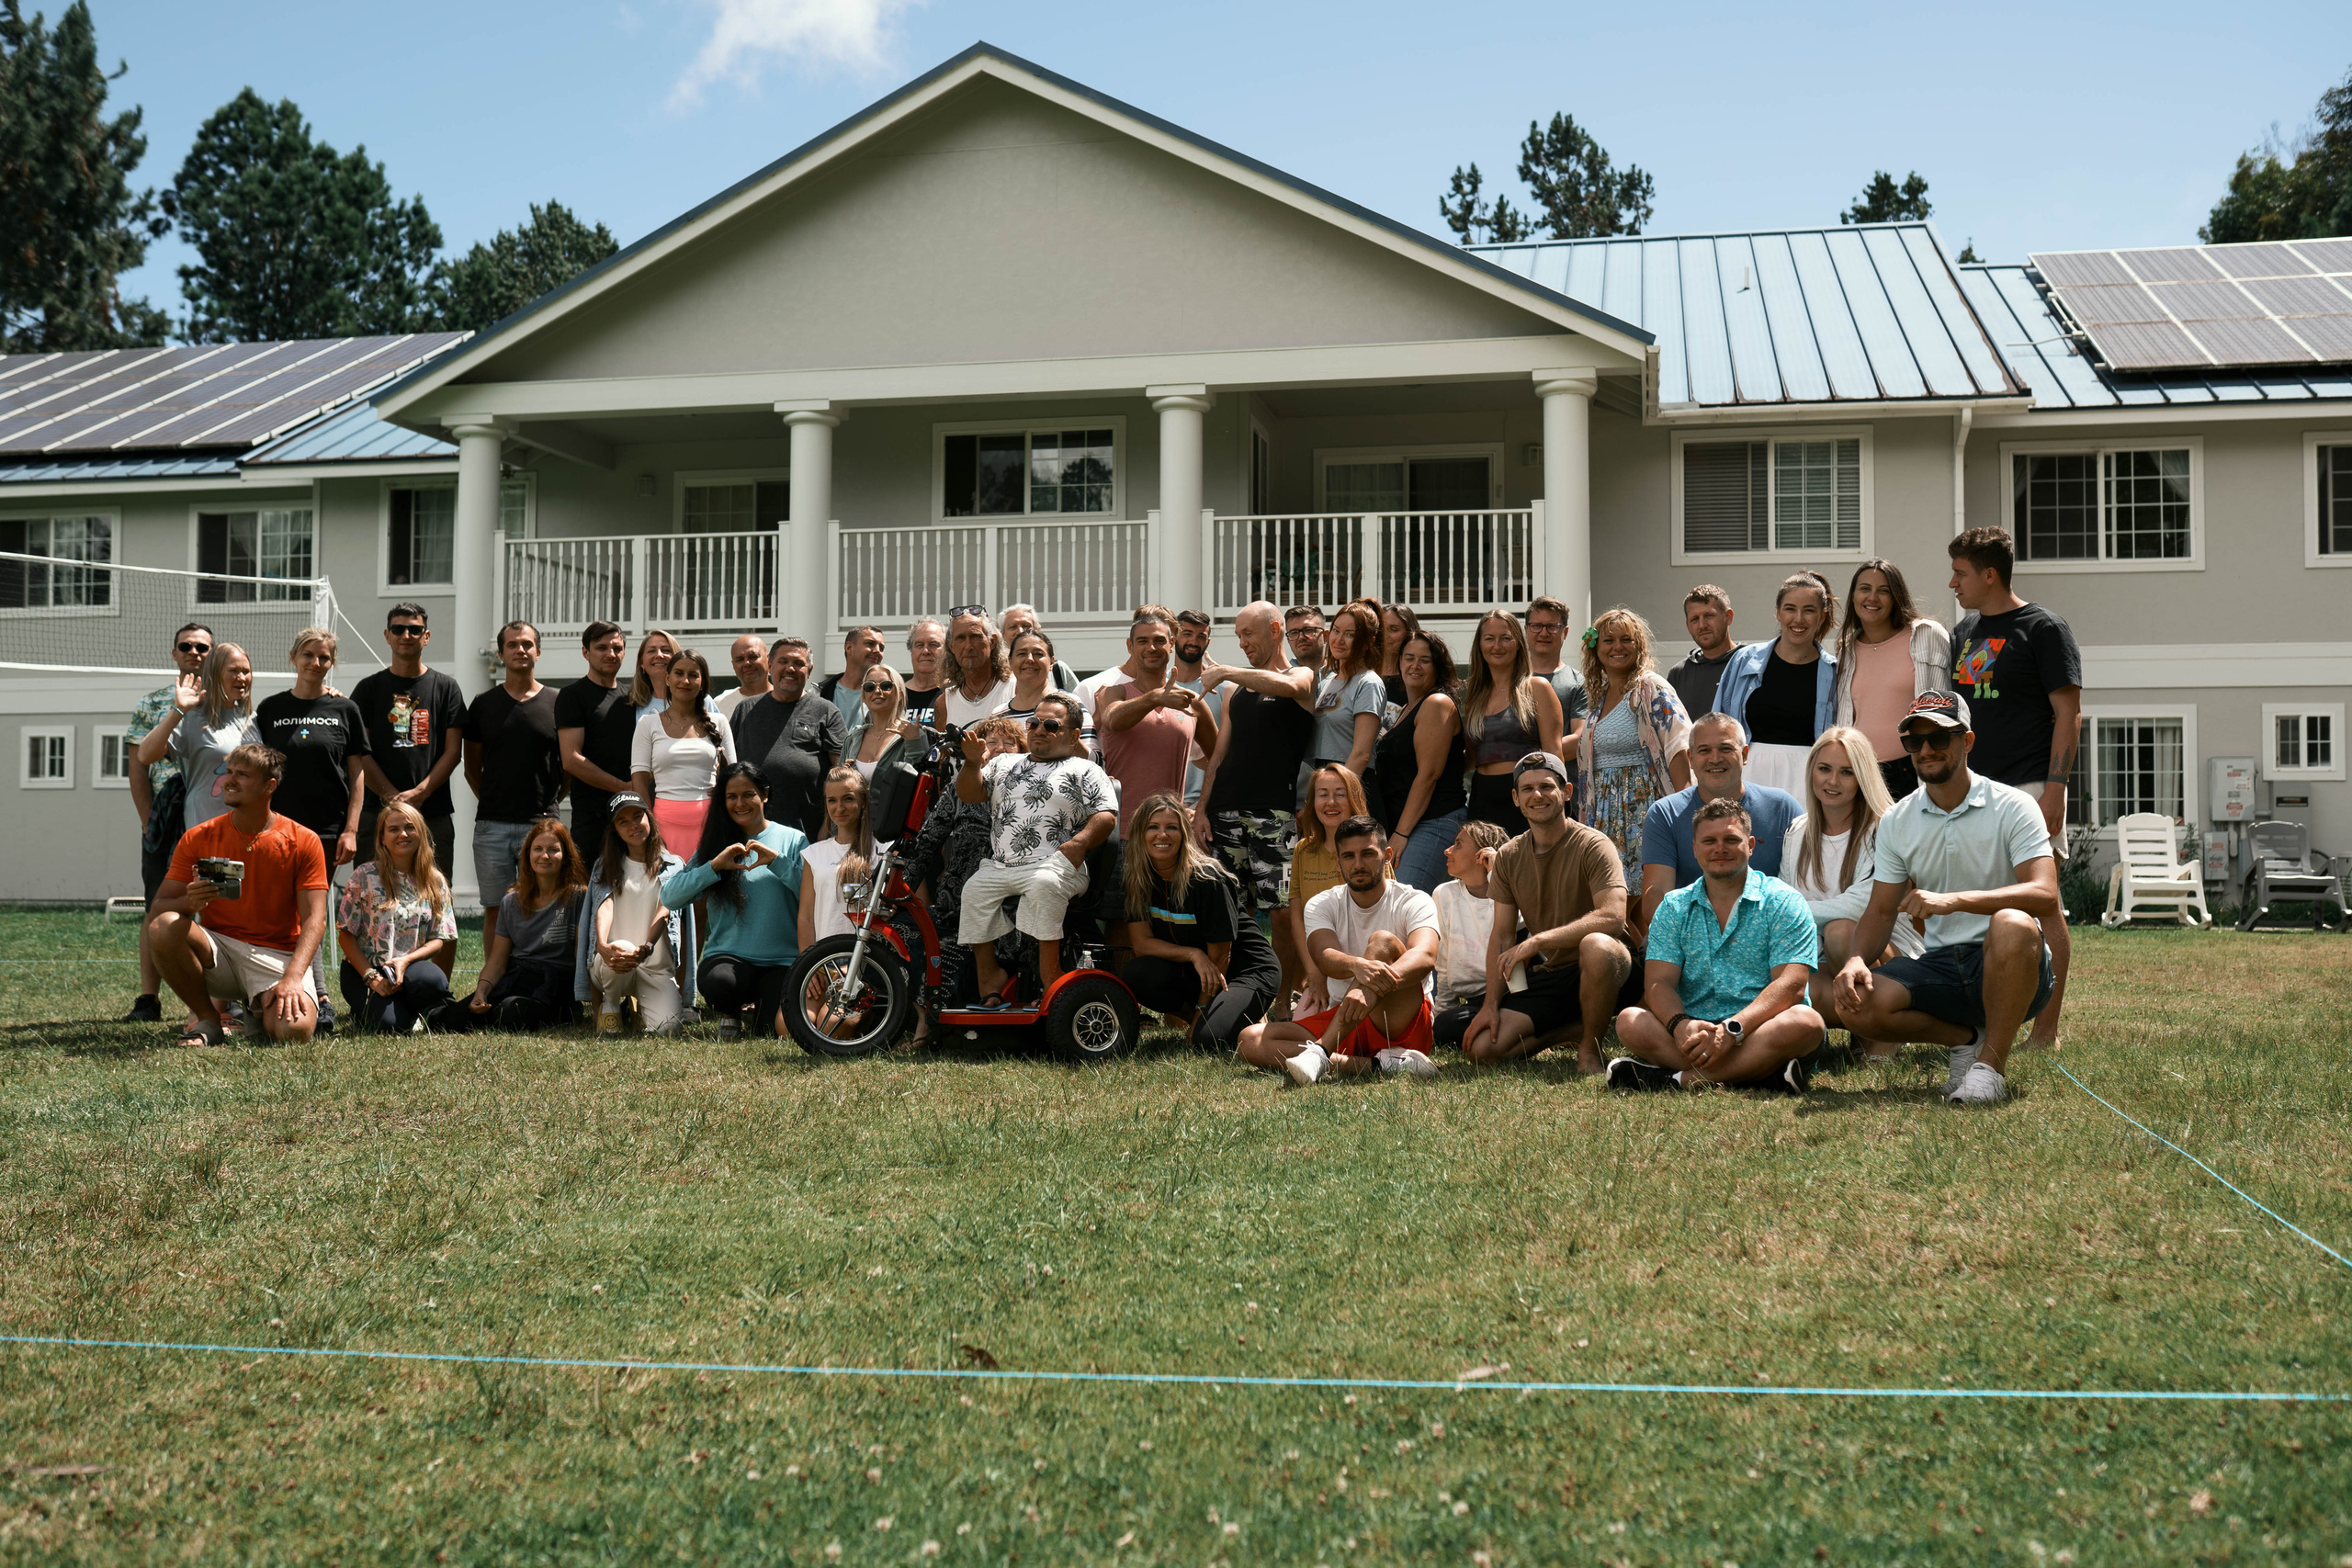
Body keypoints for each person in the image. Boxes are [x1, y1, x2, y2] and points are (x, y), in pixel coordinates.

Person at [1830, 692, 2060, 1106]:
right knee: (1853, 1006)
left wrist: (1953, 901)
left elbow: (2044, 894)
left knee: (2011, 923)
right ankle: (1967, 1040)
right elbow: (1881, 910)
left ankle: (1990, 1070)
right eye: (1914, 741)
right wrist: (1855, 959)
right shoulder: (1898, 820)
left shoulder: (2014, 805)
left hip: (2011, 963)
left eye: (1939, 738)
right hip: (1941, 966)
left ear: (1967, 741)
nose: (1926, 750)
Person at [1948, 525, 2080, 1051]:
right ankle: (1989, 1019)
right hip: (1974, 790)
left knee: (2043, 907)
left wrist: (2056, 788)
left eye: (1960, 573)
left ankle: (2045, 1029)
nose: (1953, 583)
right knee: (1990, 909)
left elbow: (2068, 714)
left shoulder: (2043, 628)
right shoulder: (1964, 633)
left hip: (2029, 787)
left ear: (1989, 574)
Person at [1608, 797, 1826, 1096]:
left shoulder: (1784, 901)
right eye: (1709, 841)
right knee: (1630, 1020)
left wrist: (1732, 1030)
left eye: (1731, 840)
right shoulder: (1673, 907)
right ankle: (1760, 1075)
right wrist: (1680, 1025)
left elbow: (1792, 985)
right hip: (1694, 1034)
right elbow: (1658, 983)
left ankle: (1679, 1081)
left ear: (1750, 845)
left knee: (1806, 1022)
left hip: (1761, 1029)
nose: (1719, 848)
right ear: (1695, 849)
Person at [1457, 753, 1637, 1073]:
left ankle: (1590, 1050)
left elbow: (1613, 918)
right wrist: (1490, 1006)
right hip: (1555, 973)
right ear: (1515, 798)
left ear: (1566, 792)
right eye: (1526, 789)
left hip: (1612, 966)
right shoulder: (1510, 856)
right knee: (1484, 1049)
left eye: (1546, 786)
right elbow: (1502, 935)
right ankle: (1571, 1030)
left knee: (1595, 945)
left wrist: (1538, 940)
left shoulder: (1594, 845)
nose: (1536, 795)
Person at [1237, 816, 1441, 1084]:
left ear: (1387, 855)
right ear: (1338, 861)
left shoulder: (1414, 899)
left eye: (1368, 854)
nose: (1358, 864)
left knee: (1383, 942)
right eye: (1348, 856)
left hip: (1402, 1016)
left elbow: (1425, 956)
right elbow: (1323, 955)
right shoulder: (1322, 903)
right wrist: (1357, 966)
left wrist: (1369, 985)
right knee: (1249, 1040)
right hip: (1345, 1016)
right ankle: (1379, 1066)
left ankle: (1321, 1052)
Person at [148, 743, 328, 1046]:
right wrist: (188, 903)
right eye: (229, 772)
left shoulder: (303, 840)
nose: (229, 780)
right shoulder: (198, 836)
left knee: (293, 1033)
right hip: (220, 953)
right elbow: (159, 908)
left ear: (269, 786)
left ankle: (258, 1011)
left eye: (242, 774)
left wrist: (294, 977)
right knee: (163, 926)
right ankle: (208, 1019)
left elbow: (315, 920)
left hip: (278, 956)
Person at [955, 691, 1116, 998]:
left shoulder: (1085, 769)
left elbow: (1106, 816)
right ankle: (990, 979)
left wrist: (1079, 843)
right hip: (1002, 865)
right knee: (973, 891)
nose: (1039, 730)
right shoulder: (1004, 763)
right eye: (1034, 723)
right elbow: (970, 794)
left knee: (1043, 885)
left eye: (1051, 726)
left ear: (1072, 736)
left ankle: (1050, 975)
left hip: (1055, 864)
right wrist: (972, 764)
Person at [257, 627, 372, 1032]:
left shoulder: (345, 710)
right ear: (294, 658)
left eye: (324, 657)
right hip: (276, 829)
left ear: (331, 663)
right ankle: (274, 994)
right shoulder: (270, 709)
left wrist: (351, 829)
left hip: (326, 831)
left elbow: (357, 775)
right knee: (278, 911)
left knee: (312, 914)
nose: (316, 663)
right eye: (308, 655)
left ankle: (320, 999)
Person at [1780, 726, 1921, 1051]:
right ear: (1811, 770)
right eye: (1824, 769)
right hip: (1818, 951)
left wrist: (1792, 913)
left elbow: (1865, 905)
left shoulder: (1884, 827)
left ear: (1863, 778)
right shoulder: (1797, 832)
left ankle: (1882, 1040)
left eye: (1847, 772)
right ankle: (1865, 1028)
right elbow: (1787, 896)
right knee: (1788, 984)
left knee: (1841, 932)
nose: (1832, 782)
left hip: (1885, 950)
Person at [1118, 793, 1281, 1055]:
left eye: (1172, 827)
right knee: (1137, 974)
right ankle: (1215, 1016)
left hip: (1243, 970)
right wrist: (1193, 954)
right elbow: (1141, 944)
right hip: (1198, 968)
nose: (1162, 835)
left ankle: (1234, 1013)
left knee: (1208, 1041)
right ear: (1139, 834)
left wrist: (1199, 1020)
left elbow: (1220, 957)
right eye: (1153, 827)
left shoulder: (1208, 880)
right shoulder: (1138, 878)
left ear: (1183, 834)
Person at [666, 761, 808, 1039]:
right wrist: (714, 867)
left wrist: (777, 862)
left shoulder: (793, 839)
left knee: (769, 1031)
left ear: (764, 795)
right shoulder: (715, 842)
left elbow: (813, 895)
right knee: (721, 983)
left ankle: (759, 1010)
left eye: (748, 795)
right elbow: (670, 897)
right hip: (729, 960)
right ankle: (730, 1012)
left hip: (781, 961)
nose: (740, 803)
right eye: (732, 796)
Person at [1638, 713, 1803, 939]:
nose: (1715, 759)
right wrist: (1700, 939)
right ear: (1691, 758)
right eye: (1704, 750)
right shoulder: (1665, 813)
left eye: (1725, 749)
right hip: (1687, 936)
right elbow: (1656, 893)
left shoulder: (1782, 808)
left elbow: (1805, 886)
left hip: (1767, 935)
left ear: (1744, 755)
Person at [123, 621, 214, 1023]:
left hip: (210, 818)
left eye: (203, 647)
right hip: (165, 817)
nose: (195, 652)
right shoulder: (151, 703)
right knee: (156, 906)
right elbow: (137, 769)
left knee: (214, 901)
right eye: (186, 646)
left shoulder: (226, 699)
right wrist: (148, 823)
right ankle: (148, 999)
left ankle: (218, 999)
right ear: (174, 653)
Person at [466, 620, 565, 953]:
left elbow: (569, 770)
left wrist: (548, 803)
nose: (520, 650)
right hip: (491, 826)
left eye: (526, 644)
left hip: (541, 826)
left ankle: (539, 975)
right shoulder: (482, 703)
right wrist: (498, 802)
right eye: (512, 645)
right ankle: (493, 985)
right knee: (495, 908)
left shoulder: (557, 703)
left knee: (544, 903)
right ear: (501, 653)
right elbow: (471, 769)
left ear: (538, 651)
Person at [437, 818, 587, 1032]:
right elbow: (497, 962)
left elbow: (579, 957)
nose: (545, 856)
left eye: (553, 849)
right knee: (450, 1020)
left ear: (565, 857)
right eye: (538, 849)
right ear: (528, 855)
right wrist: (481, 992)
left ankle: (561, 1012)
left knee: (510, 1012)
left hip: (556, 982)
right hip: (519, 977)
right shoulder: (511, 901)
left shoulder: (578, 896)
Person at [1577, 607, 1693, 883]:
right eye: (1609, 640)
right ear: (1596, 648)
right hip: (1605, 817)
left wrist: (1683, 809)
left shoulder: (1651, 687)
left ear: (1638, 645)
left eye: (1626, 639)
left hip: (1644, 813)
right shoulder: (1599, 698)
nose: (1618, 646)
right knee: (1612, 897)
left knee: (1647, 897)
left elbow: (1679, 745)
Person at [349, 603, 466, 874]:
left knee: (435, 898)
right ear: (387, 635)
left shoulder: (446, 687)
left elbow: (453, 752)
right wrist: (391, 796)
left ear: (426, 636)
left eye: (415, 629)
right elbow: (359, 751)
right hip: (376, 811)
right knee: (372, 898)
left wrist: (421, 793)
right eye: (398, 629)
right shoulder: (368, 689)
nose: (406, 635)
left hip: (432, 812)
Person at [1833, 559, 1951, 801]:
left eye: (1883, 591)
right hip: (1861, 772)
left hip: (1913, 770)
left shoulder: (1926, 635)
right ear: (1853, 596)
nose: (1872, 598)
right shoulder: (1846, 649)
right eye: (1865, 589)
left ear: (1896, 596)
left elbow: (1946, 708)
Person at [1712, 573, 1838, 800]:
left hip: (1808, 783)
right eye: (1790, 609)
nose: (1798, 619)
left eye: (1809, 610)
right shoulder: (1743, 661)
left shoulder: (1834, 672)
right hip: (1747, 779)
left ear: (1822, 616)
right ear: (1778, 613)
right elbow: (1717, 724)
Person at [334, 801, 457, 1033]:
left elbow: (439, 939)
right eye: (393, 829)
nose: (403, 834)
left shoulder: (435, 880)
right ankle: (367, 1010)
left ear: (420, 833)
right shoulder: (364, 875)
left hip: (407, 969)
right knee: (391, 1027)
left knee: (436, 982)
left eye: (410, 827)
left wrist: (405, 961)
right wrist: (371, 977)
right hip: (364, 971)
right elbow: (345, 935)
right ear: (382, 838)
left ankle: (407, 1008)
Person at [1096, 611, 1217, 832]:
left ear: (1172, 644)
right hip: (1121, 833)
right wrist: (1156, 697)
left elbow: (1222, 762)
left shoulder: (1192, 703)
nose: (1151, 648)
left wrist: (1202, 809)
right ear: (1130, 647)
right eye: (1143, 641)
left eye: (1159, 640)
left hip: (1171, 834)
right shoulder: (1113, 693)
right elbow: (1113, 720)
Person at [583, 797, 692, 1035]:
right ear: (615, 831)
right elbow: (605, 905)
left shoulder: (673, 865)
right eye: (623, 822)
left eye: (637, 817)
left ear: (649, 819)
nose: (633, 825)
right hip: (612, 962)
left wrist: (647, 946)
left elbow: (666, 911)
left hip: (655, 968)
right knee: (622, 946)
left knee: (668, 1029)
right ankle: (611, 1005)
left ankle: (638, 1007)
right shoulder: (606, 865)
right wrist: (602, 945)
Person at [1372, 630, 1466, 892]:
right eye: (1409, 657)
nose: (1415, 665)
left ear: (1438, 666)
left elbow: (1428, 775)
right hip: (1408, 823)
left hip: (1433, 822)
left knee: (1405, 905)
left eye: (1425, 660)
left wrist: (1400, 834)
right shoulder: (1405, 710)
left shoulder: (1437, 703)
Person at [133, 640, 259, 836]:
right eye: (233, 671)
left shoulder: (252, 719)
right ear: (215, 674)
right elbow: (145, 755)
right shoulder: (194, 717)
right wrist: (179, 711)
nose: (242, 677)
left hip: (248, 828)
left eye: (246, 671)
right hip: (205, 827)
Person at [730, 636, 848, 840]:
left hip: (808, 837)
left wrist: (830, 829)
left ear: (809, 670)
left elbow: (843, 776)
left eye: (799, 663)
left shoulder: (826, 712)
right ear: (769, 666)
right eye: (783, 662)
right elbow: (728, 770)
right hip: (749, 834)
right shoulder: (746, 710)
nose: (790, 669)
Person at [1462, 608, 1565, 837]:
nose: (1497, 646)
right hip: (1483, 799)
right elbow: (1471, 756)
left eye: (1505, 638)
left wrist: (1557, 811)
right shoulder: (1475, 696)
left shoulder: (1537, 688)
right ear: (1480, 645)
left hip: (1526, 796)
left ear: (1518, 643)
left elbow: (1554, 753)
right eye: (1489, 639)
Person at [631, 647, 737, 854]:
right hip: (662, 824)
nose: (685, 681)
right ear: (668, 678)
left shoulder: (719, 721)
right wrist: (650, 828)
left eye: (693, 675)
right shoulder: (647, 724)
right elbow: (639, 782)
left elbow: (734, 775)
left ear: (702, 682)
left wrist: (722, 791)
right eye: (679, 673)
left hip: (712, 823)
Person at [1285, 762, 1377, 988]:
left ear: (1354, 800)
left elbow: (1385, 916)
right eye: (1322, 794)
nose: (1331, 802)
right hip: (1320, 966)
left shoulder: (1372, 848)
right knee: (1303, 1022)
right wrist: (1313, 972)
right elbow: (1298, 920)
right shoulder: (1303, 850)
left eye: (1340, 794)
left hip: (1367, 967)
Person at [556, 620, 641, 859]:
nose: (610, 654)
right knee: (591, 893)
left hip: (634, 816)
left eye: (617, 648)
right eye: (601, 647)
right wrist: (623, 788)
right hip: (593, 819)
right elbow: (571, 760)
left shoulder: (634, 696)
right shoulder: (572, 696)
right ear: (586, 652)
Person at [1428, 819, 1510, 1036]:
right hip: (1475, 1003)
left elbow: (1517, 925)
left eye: (1458, 844)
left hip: (1513, 993)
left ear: (1482, 854)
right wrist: (1442, 1010)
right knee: (1445, 1026)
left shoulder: (1510, 890)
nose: (1448, 851)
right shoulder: (1444, 894)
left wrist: (1496, 875)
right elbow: (1444, 958)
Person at [1306, 598, 1386, 793]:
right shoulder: (1326, 681)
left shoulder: (1369, 683)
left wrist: (1338, 794)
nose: (1339, 640)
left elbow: (1361, 754)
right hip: (1323, 781)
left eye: (1350, 634)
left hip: (1352, 785)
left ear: (1369, 642)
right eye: (1336, 630)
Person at [800, 766, 877, 946]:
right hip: (824, 961)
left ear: (863, 800)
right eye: (832, 800)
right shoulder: (814, 854)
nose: (839, 808)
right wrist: (809, 964)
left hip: (870, 962)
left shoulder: (882, 850)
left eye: (848, 799)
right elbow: (806, 917)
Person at [996, 628, 1097, 758]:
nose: (1030, 659)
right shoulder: (999, 714)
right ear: (1010, 662)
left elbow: (1096, 760)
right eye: (1021, 654)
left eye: (1039, 654)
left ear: (1051, 662)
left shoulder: (1072, 705)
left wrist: (1065, 734)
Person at [1525, 595, 1589, 798]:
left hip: (1559, 791)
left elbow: (1580, 739)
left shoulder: (1578, 683)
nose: (1544, 633)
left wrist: (1522, 755)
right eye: (1536, 626)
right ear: (1526, 630)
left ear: (1565, 632)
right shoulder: (1510, 680)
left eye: (1552, 626)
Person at [1168, 609, 1224, 807]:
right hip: (1166, 802)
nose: (1194, 641)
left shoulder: (1225, 689)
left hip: (1211, 802)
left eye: (1201, 636)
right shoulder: (1158, 687)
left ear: (1207, 642)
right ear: (1173, 638)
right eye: (1187, 633)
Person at [1667, 585, 1741, 720]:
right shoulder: (1678, 674)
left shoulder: (1749, 664)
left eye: (1709, 616)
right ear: (1688, 626)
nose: (1702, 625)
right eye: (1695, 619)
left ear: (1728, 617)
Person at [845, 661, 924, 781]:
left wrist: (914, 743)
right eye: (869, 687)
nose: (877, 691)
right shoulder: (853, 738)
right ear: (864, 697)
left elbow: (920, 782)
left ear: (900, 694)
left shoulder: (913, 735)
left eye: (885, 685)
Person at [943, 608, 1015, 729]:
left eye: (975, 636)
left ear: (992, 641)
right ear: (951, 647)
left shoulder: (1015, 688)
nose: (968, 646)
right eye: (960, 638)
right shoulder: (944, 703)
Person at [998, 604, 1081, 694]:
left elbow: (1078, 703)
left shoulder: (1058, 671)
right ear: (1002, 635)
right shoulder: (997, 674)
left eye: (1026, 626)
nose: (1020, 631)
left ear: (1038, 630)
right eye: (1013, 627)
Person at [816, 626, 887, 727]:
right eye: (870, 644)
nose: (877, 650)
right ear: (849, 648)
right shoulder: (818, 693)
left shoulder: (886, 695)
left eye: (881, 648)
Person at [900, 617, 950, 734]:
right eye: (919, 645)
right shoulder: (896, 696)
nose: (926, 651)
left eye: (933, 644)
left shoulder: (955, 694)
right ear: (911, 650)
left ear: (947, 650)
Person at [712, 632, 772, 722]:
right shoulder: (720, 704)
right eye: (740, 659)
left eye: (753, 656)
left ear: (769, 659)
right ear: (733, 665)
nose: (747, 663)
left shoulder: (786, 698)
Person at [1376, 603, 1423, 705]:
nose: (1385, 635)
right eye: (1382, 629)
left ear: (1410, 633)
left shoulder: (1417, 676)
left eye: (1393, 629)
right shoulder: (1366, 676)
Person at [628, 628, 679, 713]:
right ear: (642, 663)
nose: (659, 655)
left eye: (666, 650)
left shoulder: (698, 700)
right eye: (651, 651)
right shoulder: (634, 705)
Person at [1283, 605, 1327, 673]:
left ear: (1325, 636)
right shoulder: (1281, 680)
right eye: (1294, 633)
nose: (1301, 637)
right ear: (1288, 640)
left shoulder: (1344, 675)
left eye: (1308, 630)